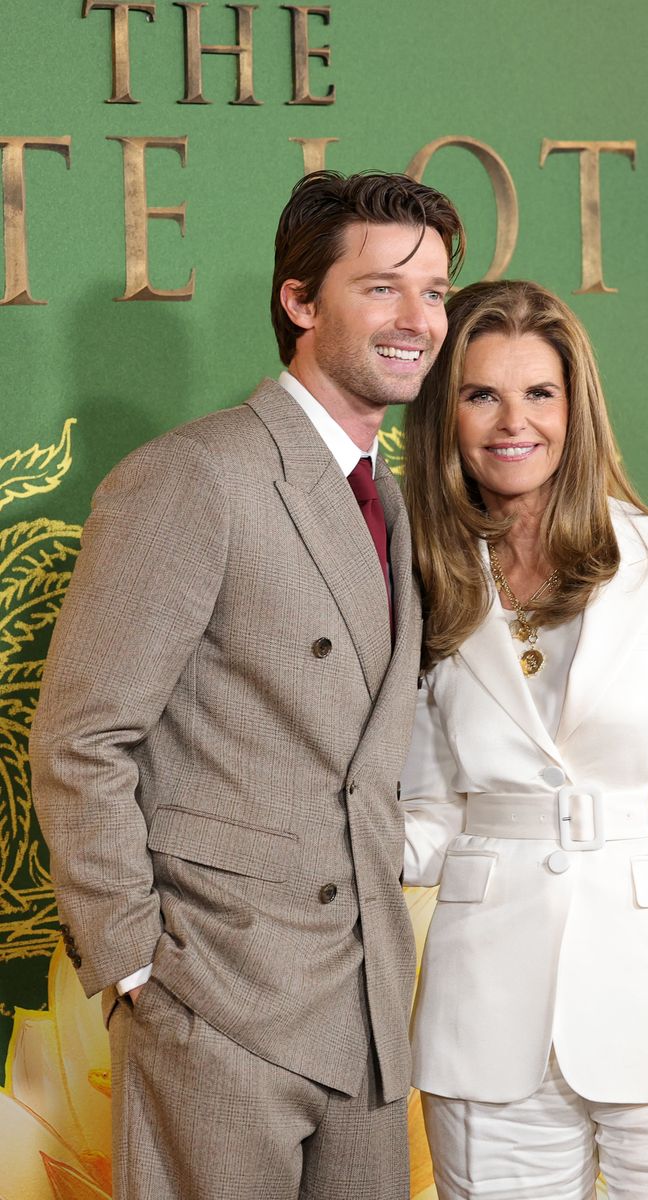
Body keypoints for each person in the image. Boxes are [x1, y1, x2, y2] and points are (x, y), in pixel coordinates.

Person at [29, 170, 464, 1200]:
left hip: (363, 1010)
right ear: (299, 301)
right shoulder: (197, 475)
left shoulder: (392, 504)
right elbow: (79, 738)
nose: (417, 320)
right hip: (218, 999)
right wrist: (137, 966)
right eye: (383, 288)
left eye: (436, 291)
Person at [400, 279, 648, 1200]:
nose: (512, 423)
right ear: (443, 413)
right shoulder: (419, 580)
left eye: (539, 393)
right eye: (480, 393)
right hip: (486, 1020)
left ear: (576, 408)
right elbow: (427, 811)